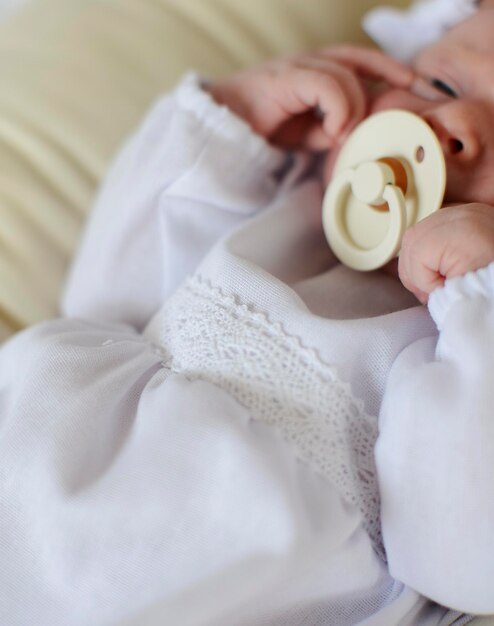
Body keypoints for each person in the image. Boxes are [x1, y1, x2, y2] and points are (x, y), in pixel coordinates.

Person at [0, 1, 493, 624]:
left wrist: (482, 298)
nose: (457, 124)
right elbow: (103, 303)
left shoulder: (460, 337)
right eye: (441, 84)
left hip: (232, 571)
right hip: (39, 479)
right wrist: (234, 129)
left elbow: (464, 554)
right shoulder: (291, 195)